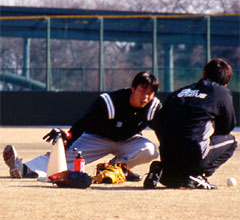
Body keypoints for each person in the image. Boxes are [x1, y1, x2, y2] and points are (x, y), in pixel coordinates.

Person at [3, 71, 162, 181]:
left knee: (150, 150)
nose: (146, 96)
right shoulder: (109, 102)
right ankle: (22, 168)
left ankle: (114, 170)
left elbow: (164, 133)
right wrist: (66, 141)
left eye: (151, 92)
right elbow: (81, 125)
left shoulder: (154, 107)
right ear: (133, 89)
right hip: (98, 138)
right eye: (143, 90)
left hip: (128, 140)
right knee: (67, 158)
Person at [144, 58, 238, 189]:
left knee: (173, 181)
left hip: (167, 154)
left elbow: (158, 122)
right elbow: (227, 127)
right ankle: (197, 175)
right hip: (193, 154)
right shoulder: (222, 92)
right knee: (232, 141)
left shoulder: (180, 92)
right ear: (226, 82)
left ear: (203, 74)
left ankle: (164, 170)